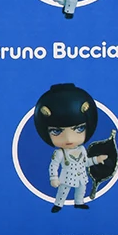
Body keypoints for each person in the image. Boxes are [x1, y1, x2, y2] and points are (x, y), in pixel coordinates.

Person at [33, 83, 109, 213]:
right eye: (56, 131)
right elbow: (54, 165)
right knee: (63, 191)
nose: (68, 139)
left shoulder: (82, 150)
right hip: (67, 177)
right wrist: (54, 178)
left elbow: (85, 162)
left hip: (81, 176)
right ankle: (58, 204)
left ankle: (79, 202)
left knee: (81, 189)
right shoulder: (60, 153)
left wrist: (97, 159)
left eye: (79, 129)